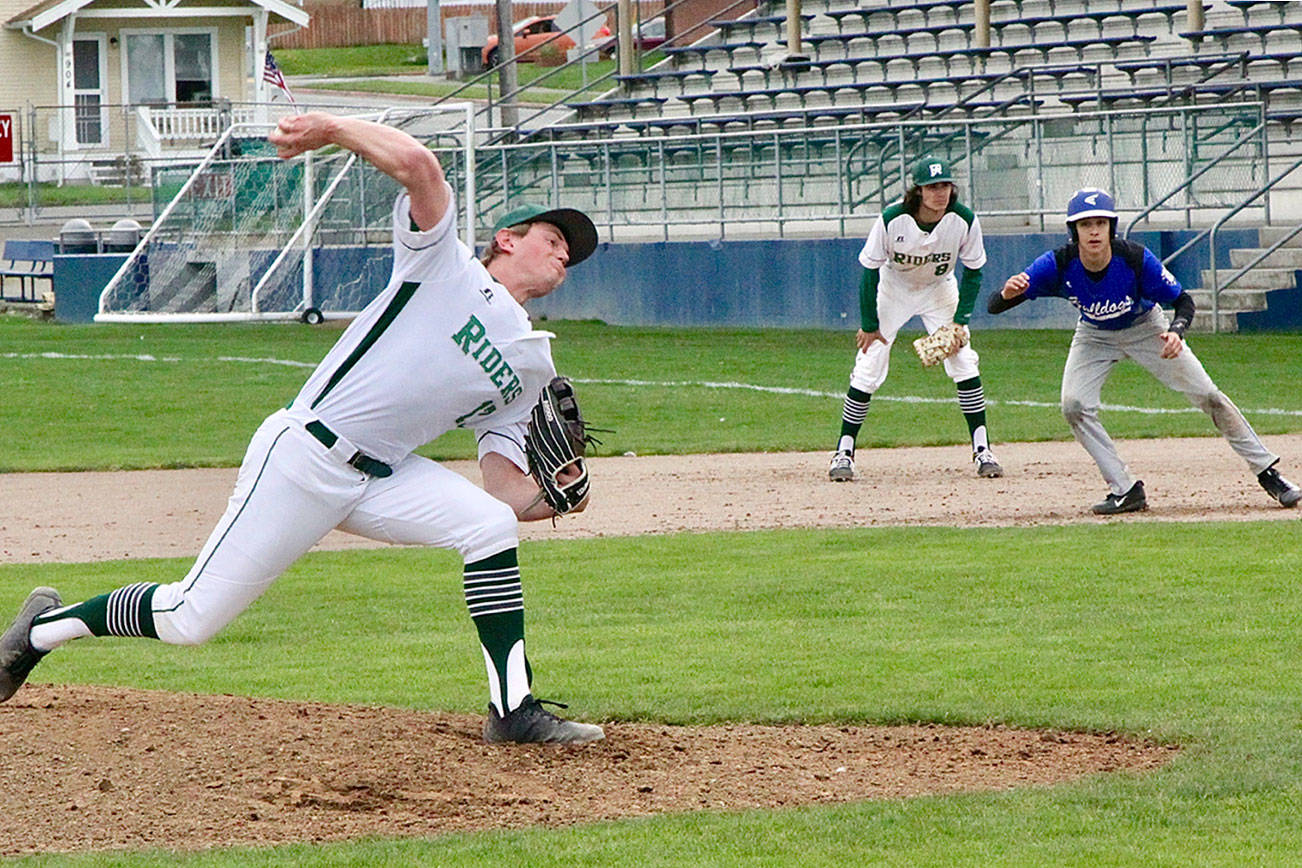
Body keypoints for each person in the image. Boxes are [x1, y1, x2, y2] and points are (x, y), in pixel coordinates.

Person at [0, 111, 608, 745]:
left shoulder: (535, 363)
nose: (566, 252)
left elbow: (502, 490)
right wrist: (331, 128)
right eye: (553, 237)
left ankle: (512, 711)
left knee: (488, 525)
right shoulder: (446, 267)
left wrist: (563, 492)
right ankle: (41, 632)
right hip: (305, 455)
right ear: (507, 239)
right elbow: (421, 168)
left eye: (573, 252)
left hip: (383, 477)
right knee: (190, 616)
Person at [989, 187, 1301, 514]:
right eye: (1085, 224)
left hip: (1147, 327)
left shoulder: (1134, 258)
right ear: (1073, 231)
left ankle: (1269, 473)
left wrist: (1176, 332)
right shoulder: (1058, 264)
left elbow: (1183, 301)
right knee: (1073, 404)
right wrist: (1008, 293)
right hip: (1094, 334)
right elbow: (995, 305)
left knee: (1209, 395)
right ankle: (1125, 490)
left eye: (1101, 222)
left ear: (1112, 226)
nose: (1094, 231)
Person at [828, 156, 1003, 482]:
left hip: (939, 290)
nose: (940, 193)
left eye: (945, 185)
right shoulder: (893, 218)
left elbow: (975, 271)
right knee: (869, 363)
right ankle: (844, 452)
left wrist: (960, 320)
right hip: (895, 289)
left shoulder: (964, 219)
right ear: (918, 191)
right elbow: (869, 271)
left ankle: (983, 450)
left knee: (964, 360)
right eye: (932, 186)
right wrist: (869, 325)